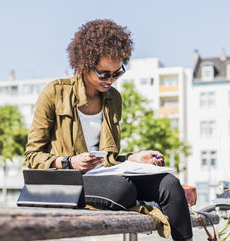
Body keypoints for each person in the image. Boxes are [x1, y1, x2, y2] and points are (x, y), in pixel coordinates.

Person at [24, 19, 193, 241]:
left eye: (117, 73)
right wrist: (69, 162)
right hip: (69, 179)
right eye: (104, 73)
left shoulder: (114, 98)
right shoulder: (55, 93)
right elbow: (32, 157)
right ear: (84, 64)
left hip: (105, 175)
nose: (110, 80)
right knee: (121, 190)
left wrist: (133, 158)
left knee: (170, 183)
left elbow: (106, 158)